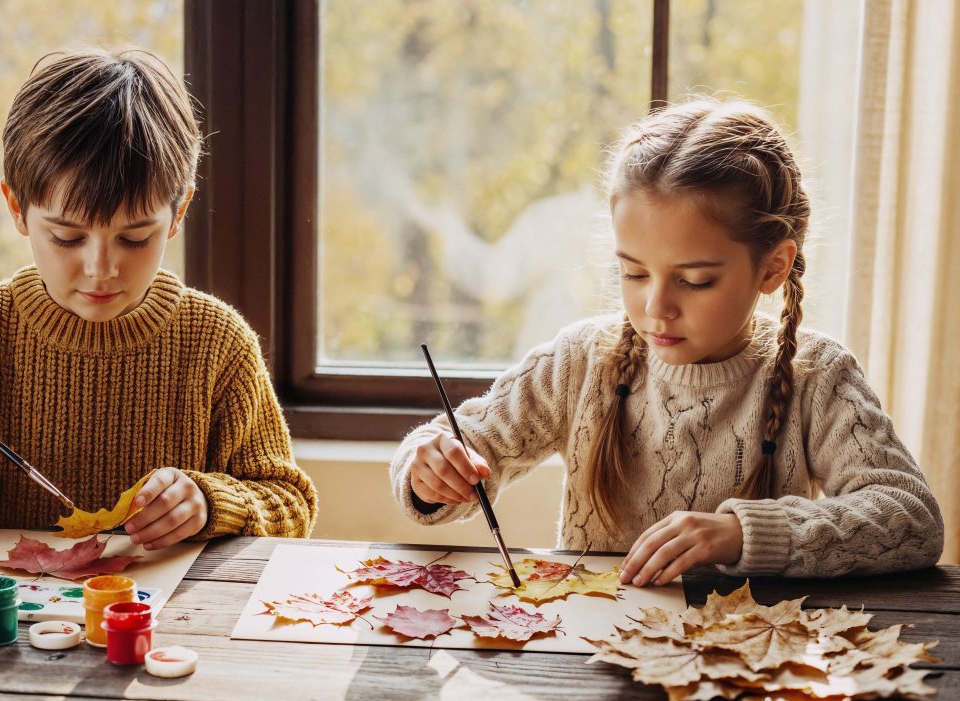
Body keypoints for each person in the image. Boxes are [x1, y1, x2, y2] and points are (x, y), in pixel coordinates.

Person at [390, 99, 942, 583]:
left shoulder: (816, 375)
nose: (656, 308)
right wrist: (429, 469)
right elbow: (462, 443)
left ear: (772, 268)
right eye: (633, 274)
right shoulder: (581, 361)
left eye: (696, 280)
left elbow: (911, 519)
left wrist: (741, 534)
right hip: (591, 662)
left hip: (749, 667)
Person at [0, 47, 317, 549]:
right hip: (8, 621)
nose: (101, 269)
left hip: (159, 619)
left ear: (180, 211)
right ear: (17, 208)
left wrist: (211, 503)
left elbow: (289, 504)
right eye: (66, 237)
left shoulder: (216, 341)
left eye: (135, 238)